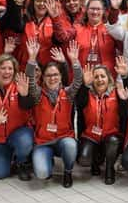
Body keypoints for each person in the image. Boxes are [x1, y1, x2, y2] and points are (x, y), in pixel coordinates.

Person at [26, 39, 84, 187]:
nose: (52, 78)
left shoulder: (68, 93)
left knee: (71, 146)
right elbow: (30, 79)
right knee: (42, 174)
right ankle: (48, 159)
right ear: (43, 79)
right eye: (48, 76)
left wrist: (74, 60)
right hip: (43, 142)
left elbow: (78, 80)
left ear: (60, 77)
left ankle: (68, 171)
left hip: (64, 138)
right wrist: (32, 58)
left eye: (55, 75)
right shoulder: (38, 94)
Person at [78, 58, 128, 185]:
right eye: (96, 77)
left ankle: (109, 169)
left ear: (108, 78)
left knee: (112, 141)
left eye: (103, 76)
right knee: (84, 159)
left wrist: (123, 101)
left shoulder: (116, 93)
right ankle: (96, 161)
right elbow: (79, 102)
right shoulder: (87, 93)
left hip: (111, 135)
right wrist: (84, 85)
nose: (100, 79)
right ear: (92, 80)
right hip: (90, 136)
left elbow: (124, 113)